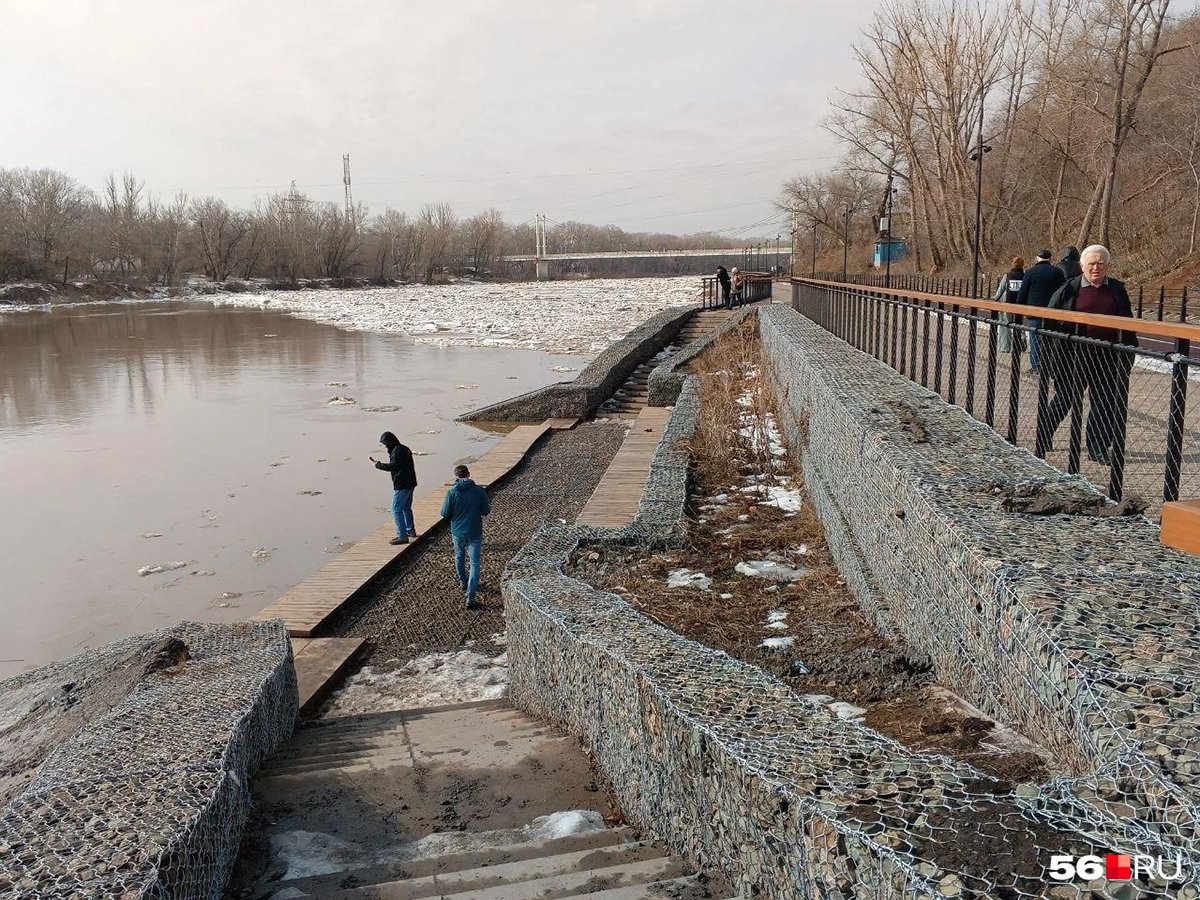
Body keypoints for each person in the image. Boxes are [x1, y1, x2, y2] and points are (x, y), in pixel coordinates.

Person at [1037, 244, 1138, 465]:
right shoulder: (1068, 289)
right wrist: (1052, 357)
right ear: (1082, 266)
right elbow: (1049, 323)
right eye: (1091, 263)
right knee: (1064, 399)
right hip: (1074, 356)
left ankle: (1098, 448)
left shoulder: (1117, 290)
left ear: (1107, 266)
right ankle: (1043, 436)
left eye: (1100, 263)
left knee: (1104, 403)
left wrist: (1128, 353)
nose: (1095, 268)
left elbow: (1128, 324)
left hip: (1108, 357)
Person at [440, 464, 491, 609]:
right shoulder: (478, 491)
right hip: (474, 531)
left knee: (459, 557)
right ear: (469, 474)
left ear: (456, 476)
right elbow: (486, 510)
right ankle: (470, 596)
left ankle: (463, 581)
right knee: (475, 563)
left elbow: (444, 513)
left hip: (457, 532)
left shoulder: (451, 493)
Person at [1015, 249, 1066, 373]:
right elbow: (1063, 291)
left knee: (1035, 338)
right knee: (1050, 339)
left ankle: (1036, 365)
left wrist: (1019, 306)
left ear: (1037, 258)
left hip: (1035, 311)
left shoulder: (1030, 272)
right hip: (1052, 312)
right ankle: (1050, 366)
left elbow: (1023, 291)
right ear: (1050, 258)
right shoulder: (1057, 272)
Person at [371, 432, 417, 545]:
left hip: (401, 484)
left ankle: (402, 536)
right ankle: (410, 531)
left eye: (385, 444)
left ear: (390, 442)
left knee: (396, 509)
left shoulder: (397, 451)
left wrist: (379, 465)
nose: (385, 446)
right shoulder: (404, 449)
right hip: (410, 482)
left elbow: (395, 466)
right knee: (406, 507)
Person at [992, 256, 1025, 354]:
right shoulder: (1025, 276)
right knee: (1020, 325)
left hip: (1008, 304)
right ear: (1022, 265)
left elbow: (1000, 291)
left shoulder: (1008, 276)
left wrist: (994, 300)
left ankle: (1005, 347)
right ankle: (1021, 344)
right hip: (1020, 304)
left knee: (1004, 325)